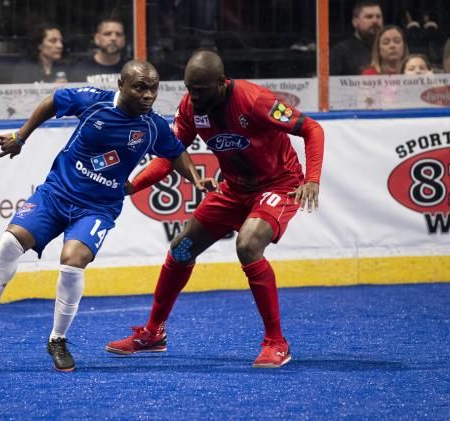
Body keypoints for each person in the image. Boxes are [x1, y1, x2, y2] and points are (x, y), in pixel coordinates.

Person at [0, 60, 217, 372]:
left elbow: (175, 151)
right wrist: (21, 137)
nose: (148, 95)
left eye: (153, 89)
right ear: (122, 86)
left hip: (98, 208)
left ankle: (57, 340)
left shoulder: (152, 126)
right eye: (140, 87)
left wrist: (195, 179)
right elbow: (52, 102)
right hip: (56, 193)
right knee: (10, 242)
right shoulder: (93, 101)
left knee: (73, 260)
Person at [105, 51, 325, 369]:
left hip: (278, 185)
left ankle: (277, 342)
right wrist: (130, 187)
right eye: (189, 88)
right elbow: (170, 155)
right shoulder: (191, 107)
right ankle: (153, 334)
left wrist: (313, 179)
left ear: (222, 83)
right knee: (181, 249)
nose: (194, 96)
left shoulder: (254, 101)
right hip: (233, 189)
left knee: (248, 245)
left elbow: (312, 129)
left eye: (202, 89)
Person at [330, 0, 383, 76]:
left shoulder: (387, 48)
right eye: (369, 17)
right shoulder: (341, 51)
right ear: (355, 22)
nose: (375, 21)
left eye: (378, 16)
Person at [71, 18, 129, 84]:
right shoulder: (80, 69)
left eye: (118, 34)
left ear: (124, 40)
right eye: (107, 34)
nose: (113, 38)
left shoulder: (132, 69)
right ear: (97, 38)